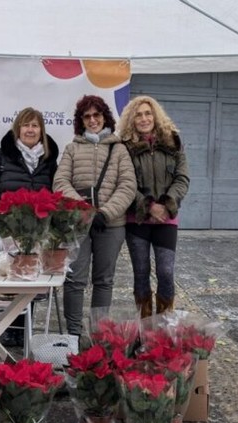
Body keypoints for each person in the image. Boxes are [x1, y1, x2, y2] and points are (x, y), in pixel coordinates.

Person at [53, 95, 136, 339]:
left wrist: (107, 212)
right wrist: (85, 211)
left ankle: (99, 334)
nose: (92, 120)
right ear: (81, 121)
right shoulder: (72, 148)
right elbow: (60, 182)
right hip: (78, 224)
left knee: (103, 280)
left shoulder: (119, 149)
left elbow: (128, 185)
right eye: (87, 116)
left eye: (96, 115)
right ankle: (74, 335)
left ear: (105, 117)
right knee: (75, 279)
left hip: (110, 225)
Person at [0, 106, 59, 347]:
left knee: (30, 278)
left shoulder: (49, 159)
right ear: (18, 129)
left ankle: (23, 328)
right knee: (7, 278)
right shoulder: (0, 156)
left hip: (36, 231)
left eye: (35, 125)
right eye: (26, 125)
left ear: (41, 131)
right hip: (6, 229)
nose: (30, 129)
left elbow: (55, 192)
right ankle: (7, 327)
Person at [116, 96, 190, 317]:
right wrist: (149, 207)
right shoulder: (124, 147)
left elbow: (182, 177)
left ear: (155, 116)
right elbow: (124, 182)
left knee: (166, 272)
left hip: (167, 220)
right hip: (137, 220)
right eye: (138, 115)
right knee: (141, 272)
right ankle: (145, 326)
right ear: (131, 119)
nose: (144, 118)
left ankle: (165, 325)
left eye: (148, 113)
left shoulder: (173, 142)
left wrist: (167, 204)